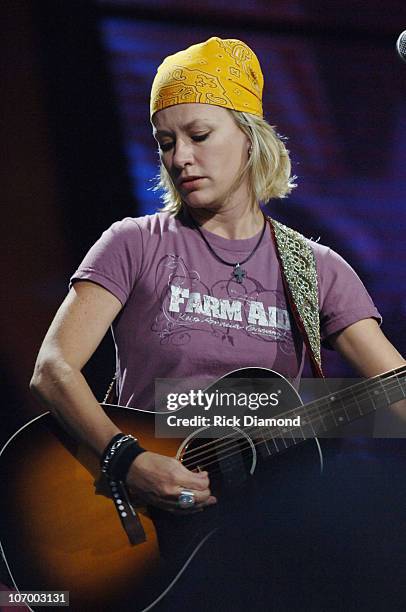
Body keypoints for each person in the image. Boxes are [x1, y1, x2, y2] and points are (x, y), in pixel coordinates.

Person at [30, 37, 405, 610]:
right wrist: (126, 459)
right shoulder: (134, 243)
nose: (180, 157)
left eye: (199, 136)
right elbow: (53, 369)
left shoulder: (317, 269)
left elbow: (395, 396)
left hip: (260, 541)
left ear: (251, 137)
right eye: (166, 142)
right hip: (141, 522)